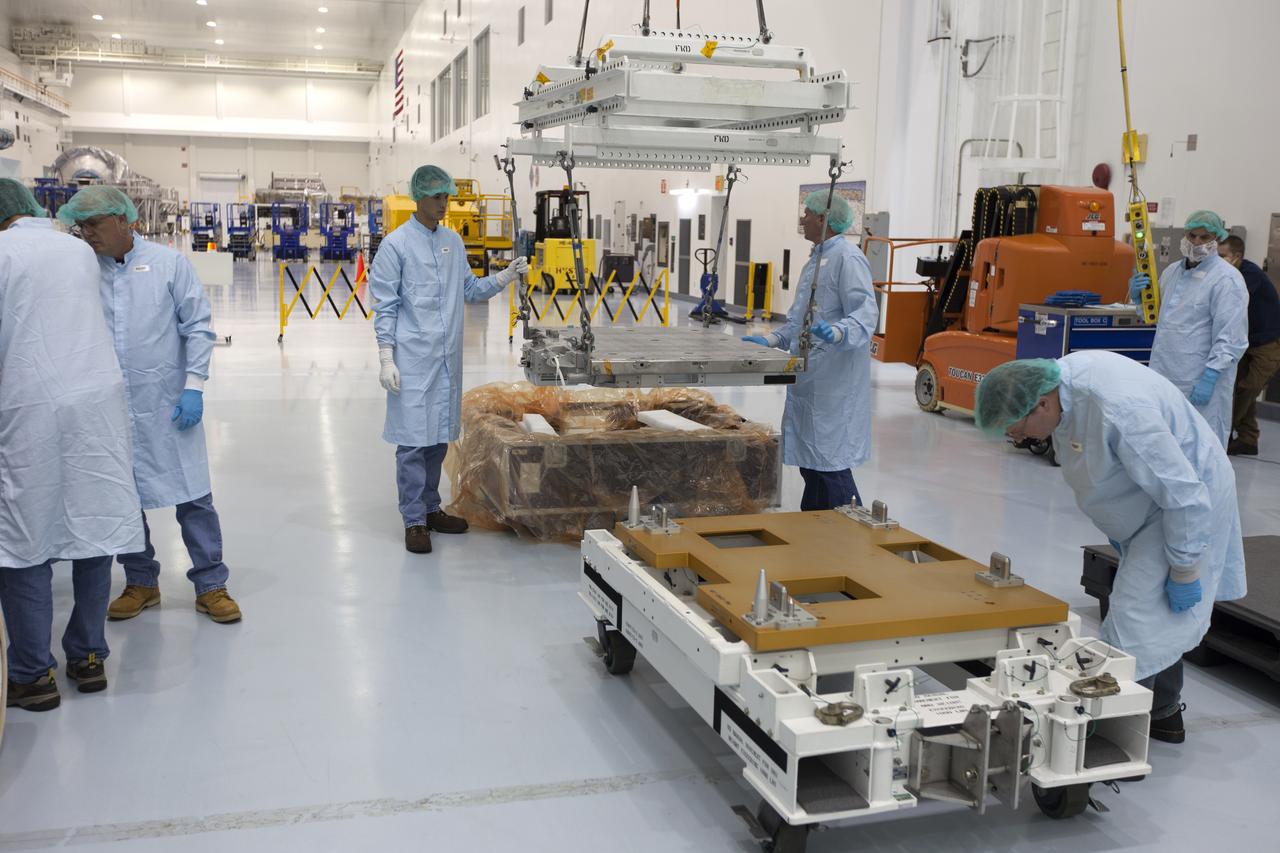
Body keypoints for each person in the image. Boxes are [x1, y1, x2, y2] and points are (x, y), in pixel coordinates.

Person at [975, 352, 1246, 744]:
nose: (1017, 438)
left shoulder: (1117, 409)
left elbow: (1183, 494)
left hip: (1184, 506)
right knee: (1158, 618)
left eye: (1015, 428)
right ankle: (1165, 712)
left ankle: (1107, 730)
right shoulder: (1063, 392)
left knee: (1133, 622)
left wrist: (1184, 567)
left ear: (1043, 404)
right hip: (1150, 505)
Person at [56, 186, 241, 624]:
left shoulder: (168, 263)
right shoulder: (83, 268)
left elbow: (197, 326)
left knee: (193, 495)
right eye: (81, 226)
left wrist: (194, 385)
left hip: (168, 401)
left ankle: (211, 584)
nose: (87, 234)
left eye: (95, 225)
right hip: (108, 406)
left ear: (124, 220)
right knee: (123, 496)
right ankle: (141, 581)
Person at [0, 180, 144, 711]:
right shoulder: (77, 251)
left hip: (30, 402)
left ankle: (32, 675)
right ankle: (87, 657)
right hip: (95, 401)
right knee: (93, 522)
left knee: (23, 536)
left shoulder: (3, 253)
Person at [370, 165, 527, 554]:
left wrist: (506, 276)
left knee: (438, 436)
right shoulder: (396, 246)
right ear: (419, 197)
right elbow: (385, 306)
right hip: (411, 358)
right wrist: (386, 356)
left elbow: (470, 290)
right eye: (439, 197)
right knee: (411, 442)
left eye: (447, 197)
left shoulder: (453, 243)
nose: (445, 204)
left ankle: (430, 507)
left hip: (445, 360)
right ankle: (413, 520)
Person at [741, 189, 878, 510]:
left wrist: (838, 331)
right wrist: (774, 340)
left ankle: (852, 531)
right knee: (812, 465)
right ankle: (813, 527)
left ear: (823, 218)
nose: (801, 219)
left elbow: (866, 312)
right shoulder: (816, 261)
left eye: (806, 213)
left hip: (834, 383)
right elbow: (799, 320)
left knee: (830, 465)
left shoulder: (848, 258)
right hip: (809, 378)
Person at [1129, 210, 1247, 447]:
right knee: (1163, 445)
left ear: (1217, 240)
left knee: (1200, 448)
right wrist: (1140, 300)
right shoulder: (1173, 271)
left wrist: (1210, 376)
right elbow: (1158, 318)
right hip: (1164, 374)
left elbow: (1231, 338)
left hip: (1200, 382)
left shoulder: (1226, 279)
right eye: (1192, 235)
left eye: (1204, 238)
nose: (1196, 242)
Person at [1218, 235, 1280, 456]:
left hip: (1268, 344)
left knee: (1249, 388)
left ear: (1236, 257)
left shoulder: (1248, 275)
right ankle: (1248, 439)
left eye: (1222, 256)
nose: (1218, 260)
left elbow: (1231, 300)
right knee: (1238, 389)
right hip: (1247, 342)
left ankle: (1220, 433)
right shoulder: (1229, 274)